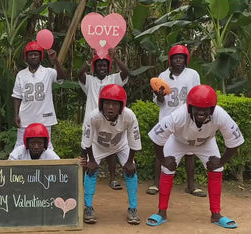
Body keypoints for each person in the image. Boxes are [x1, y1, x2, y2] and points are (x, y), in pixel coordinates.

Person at [146, 85, 244, 229]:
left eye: (206, 109)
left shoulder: (220, 114)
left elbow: (234, 141)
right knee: (167, 169)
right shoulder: (178, 115)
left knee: (217, 170)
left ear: (212, 109)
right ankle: (162, 212)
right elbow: (157, 138)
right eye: (197, 108)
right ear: (189, 107)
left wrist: (221, 161)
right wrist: (163, 160)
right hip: (178, 141)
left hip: (206, 142)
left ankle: (216, 214)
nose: (201, 112)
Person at [147, 45, 205, 197]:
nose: (178, 60)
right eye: (175, 57)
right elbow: (159, 101)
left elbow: (197, 95)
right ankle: (156, 184)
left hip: (187, 119)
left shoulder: (193, 75)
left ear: (186, 59)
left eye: (181, 57)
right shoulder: (163, 75)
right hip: (167, 118)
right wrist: (159, 95)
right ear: (170, 60)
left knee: (189, 152)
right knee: (162, 150)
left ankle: (191, 186)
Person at [81, 84, 141, 225]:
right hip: (97, 146)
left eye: (115, 104)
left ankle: (133, 208)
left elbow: (134, 140)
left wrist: (130, 161)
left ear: (122, 106)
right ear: (101, 104)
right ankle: (88, 207)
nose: (110, 107)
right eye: (107, 103)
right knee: (90, 172)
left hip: (121, 145)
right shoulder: (94, 116)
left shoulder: (129, 116)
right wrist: (92, 160)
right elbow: (87, 141)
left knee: (131, 172)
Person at [78, 48, 129, 190]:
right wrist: (88, 61)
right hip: (91, 121)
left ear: (108, 67)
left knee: (111, 150)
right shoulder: (89, 80)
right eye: (99, 65)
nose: (102, 68)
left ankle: (112, 178)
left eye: (105, 65)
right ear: (95, 67)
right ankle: (82, 180)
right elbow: (79, 74)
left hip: (109, 121)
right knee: (85, 150)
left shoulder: (114, 79)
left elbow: (126, 72)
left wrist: (115, 57)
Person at [12, 41, 67, 150]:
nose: (33, 57)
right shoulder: (21, 74)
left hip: (44, 118)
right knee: (20, 146)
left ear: (40, 56)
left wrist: (55, 60)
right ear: (26, 57)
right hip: (25, 117)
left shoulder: (48, 72)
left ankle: (50, 167)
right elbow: (17, 96)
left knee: (46, 146)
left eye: (36, 54)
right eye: (30, 54)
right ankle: (15, 166)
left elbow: (61, 77)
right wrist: (16, 115)